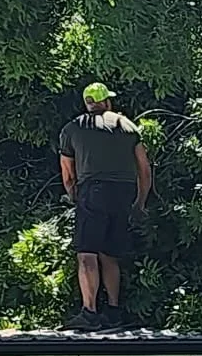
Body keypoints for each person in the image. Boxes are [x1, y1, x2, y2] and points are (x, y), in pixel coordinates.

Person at [58, 82, 152, 332]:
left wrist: (74, 196)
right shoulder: (126, 125)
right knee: (110, 254)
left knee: (87, 253)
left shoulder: (72, 128)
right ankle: (113, 311)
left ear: (87, 103)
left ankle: (89, 313)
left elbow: (68, 173)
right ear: (106, 102)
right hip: (123, 193)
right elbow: (144, 169)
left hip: (93, 191)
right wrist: (140, 202)